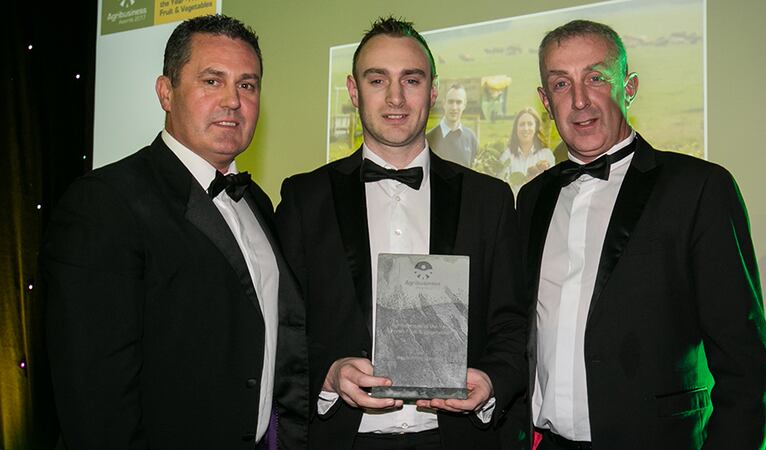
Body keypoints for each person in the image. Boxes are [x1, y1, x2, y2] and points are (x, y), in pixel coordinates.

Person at [42, 15, 308, 450]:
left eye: (247, 85)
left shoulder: (257, 203)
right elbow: (94, 400)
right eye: (211, 81)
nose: (232, 101)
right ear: (166, 92)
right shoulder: (104, 203)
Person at [275, 17, 528, 450]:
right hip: (342, 439)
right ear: (354, 92)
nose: (395, 97)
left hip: (456, 439)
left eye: (411, 80)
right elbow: (282, 326)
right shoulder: (304, 198)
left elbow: (512, 323)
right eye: (378, 80)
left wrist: (490, 381)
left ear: (432, 92)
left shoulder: (489, 199)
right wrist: (329, 374)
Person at [518, 19, 766, 449]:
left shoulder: (699, 188)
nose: (580, 100)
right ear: (545, 101)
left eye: (596, 77)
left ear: (629, 87)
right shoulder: (532, 198)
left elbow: (744, 363)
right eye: (561, 84)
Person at [498, 108, 554, 196]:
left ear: (536, 127)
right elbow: (502, 189)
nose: (526, 128)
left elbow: (551, 188)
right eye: (522, 124)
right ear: (516, 129)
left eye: (530, 124)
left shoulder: (546, 155)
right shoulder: (507, 155)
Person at [426, 83, 479, 167]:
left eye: (459, 102)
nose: (454, 107)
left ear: (464, 105)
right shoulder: (429, 139)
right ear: (444, 104)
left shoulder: (471, 138)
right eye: (450, 102)